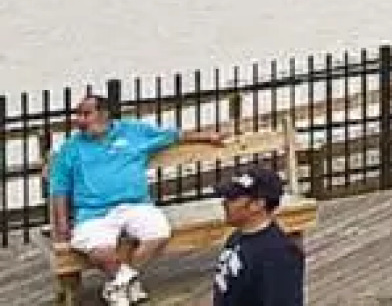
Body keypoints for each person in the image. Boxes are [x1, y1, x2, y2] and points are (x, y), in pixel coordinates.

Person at [48, 94, 223, 305]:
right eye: (78, 115)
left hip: (136, 204)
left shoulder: (133, 131)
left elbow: (172, 135)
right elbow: (59, 189)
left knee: (158, 233)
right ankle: (127, 282)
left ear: (104, 114)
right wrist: (62, 225)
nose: (80, 120)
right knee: (100, 251)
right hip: (93, 212)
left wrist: (206, 137)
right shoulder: (70, 148)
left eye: (86, 114)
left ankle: (119, 284)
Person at [209, 168, 304, 306]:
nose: (224, 203)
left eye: (232, 198)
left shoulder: (278, 256)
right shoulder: (237, 237)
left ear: (258, 204)